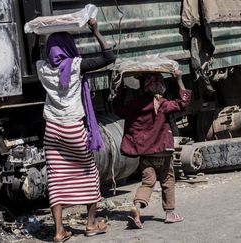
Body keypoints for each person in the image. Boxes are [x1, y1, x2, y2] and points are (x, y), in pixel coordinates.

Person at [36, 18, 115, 243]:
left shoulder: (42, 68)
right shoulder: (76, 66)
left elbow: (36, 55)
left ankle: (59, 231)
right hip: (73, 128)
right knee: (89, 174)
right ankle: (91, 224)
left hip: (52, 130)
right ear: (69, 47)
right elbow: (109, 57)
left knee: (56, 178)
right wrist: (96, 31)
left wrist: (37, 37)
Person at [112, 69, 191, 229]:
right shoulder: (163, 104)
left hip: (146, 153)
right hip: (163, 151)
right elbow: (183, 103)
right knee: (167, 180)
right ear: (161, 87)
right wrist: (179, 80)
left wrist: (120, 87)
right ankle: (170, 213)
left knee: (147, 182)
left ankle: (137, 207)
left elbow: (118, 108)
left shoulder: (135, 105)